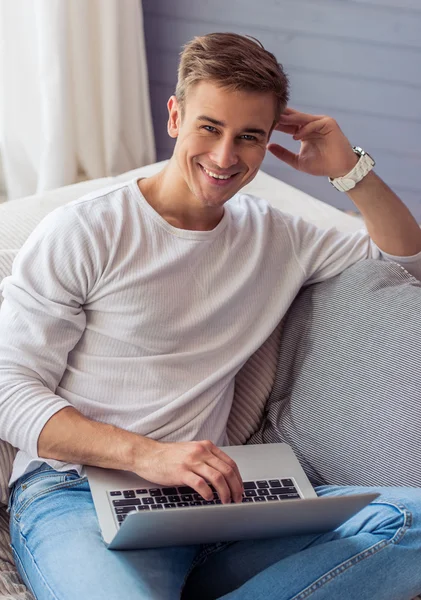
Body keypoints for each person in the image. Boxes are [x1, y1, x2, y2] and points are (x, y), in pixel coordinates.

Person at [1, 32, 421, 600]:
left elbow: (405, 258)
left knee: (411, 520)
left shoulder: (276, 235)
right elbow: (8, 390)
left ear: (270, 139)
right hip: (77, 494)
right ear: (174, 116)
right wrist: (149, 456)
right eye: (209, 127)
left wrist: (347, 169)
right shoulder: (85, 230)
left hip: (215, 504)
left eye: (248, 137)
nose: (225, 157)